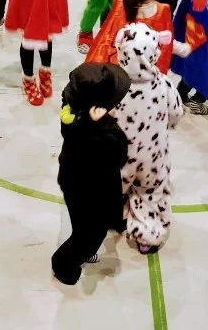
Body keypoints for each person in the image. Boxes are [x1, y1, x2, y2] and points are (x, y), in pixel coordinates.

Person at [52, 62, 130, 285]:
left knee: (109, 204)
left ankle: (114, 220)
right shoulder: (101, 132)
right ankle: (63, 264)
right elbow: (120, 155)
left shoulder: (71, 111)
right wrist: (102, 124)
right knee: (89, 234)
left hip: (80, 175)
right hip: (87, 185)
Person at [111, 23, 182, 254]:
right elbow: (176, 113)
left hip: (119, 156)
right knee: (150, 193)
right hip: (153, 157)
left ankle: (113, 216)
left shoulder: (113, 85)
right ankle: (147, 236)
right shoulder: (164, 84)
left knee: (113, 188)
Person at [86, 0, 179, 73]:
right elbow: (165, 48)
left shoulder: (119, 4)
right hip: (146, 70)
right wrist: (159, 73)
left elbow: (105, 38)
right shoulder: (163, 10)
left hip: (118, 67)